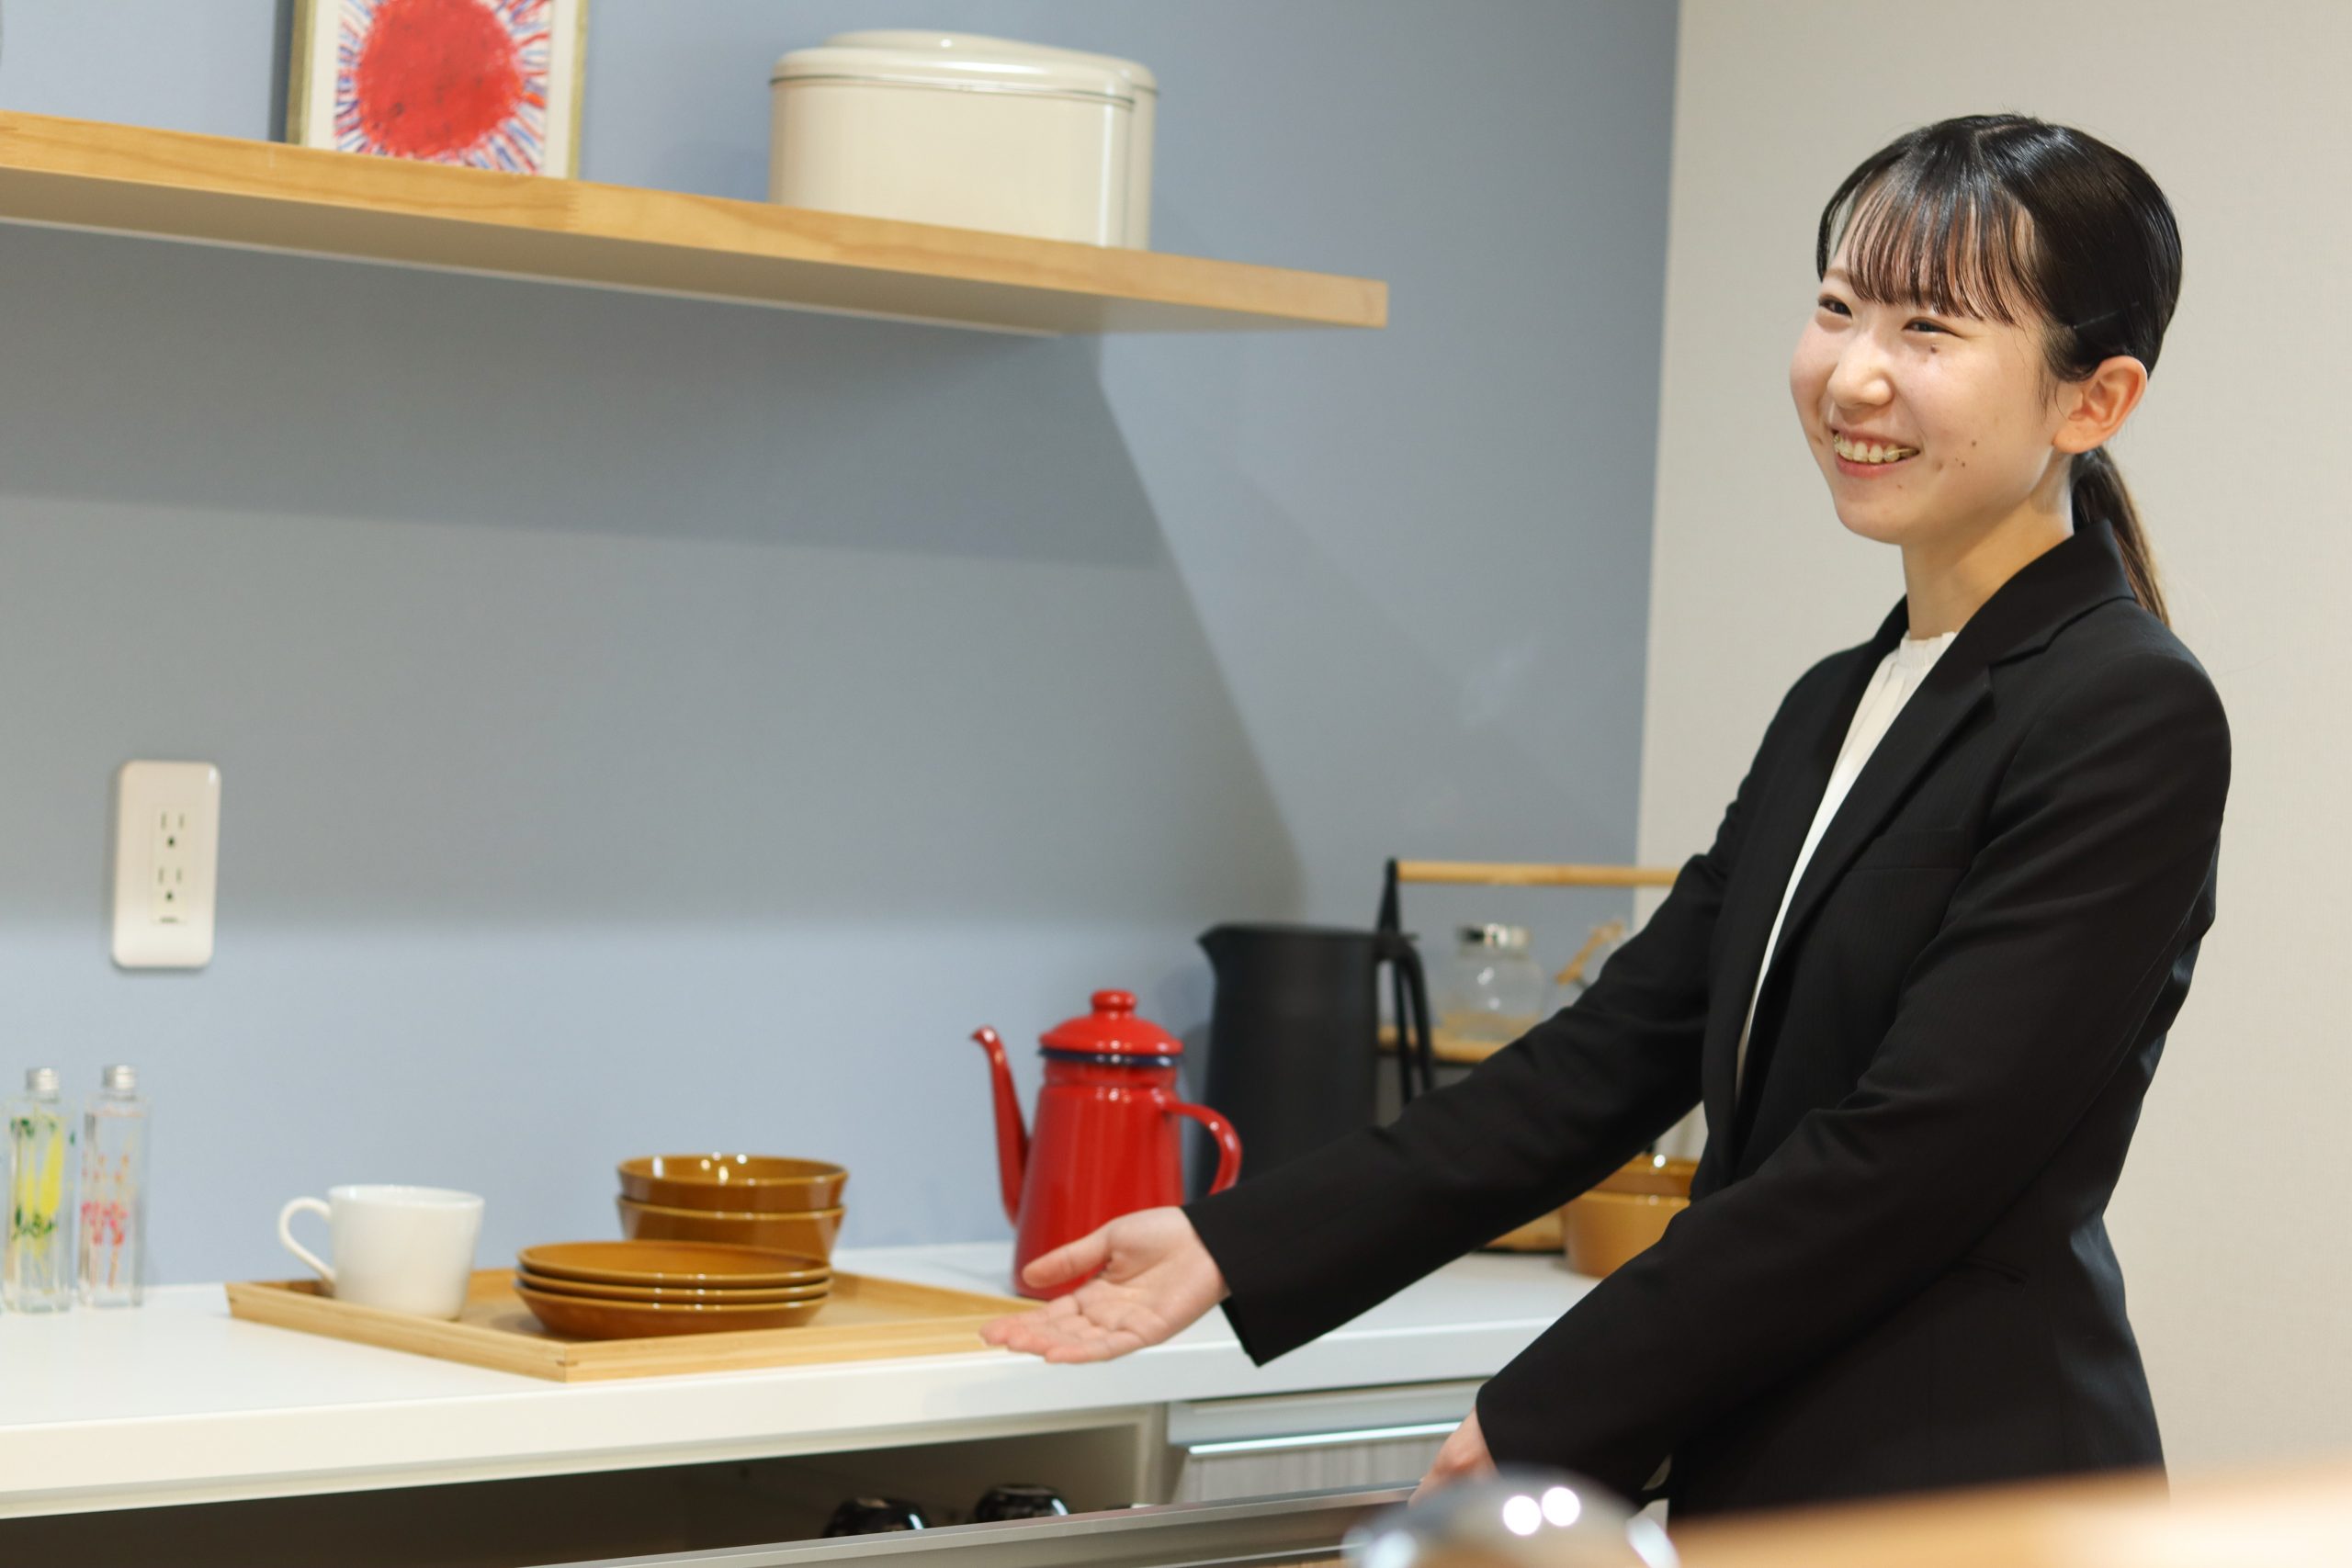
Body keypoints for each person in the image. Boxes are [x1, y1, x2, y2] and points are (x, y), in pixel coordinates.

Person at [982, 114, 2230, 1520]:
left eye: (1929, 328)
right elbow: (1612, 1054)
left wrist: (1552, 1406)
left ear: (2093, 399)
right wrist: (1237, 1244)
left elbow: (1913, 1158)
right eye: (1838, 308)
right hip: (1770, 1471)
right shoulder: (1840, 700)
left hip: (1966, 1487)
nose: (1854, 374)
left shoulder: (2126, 709)